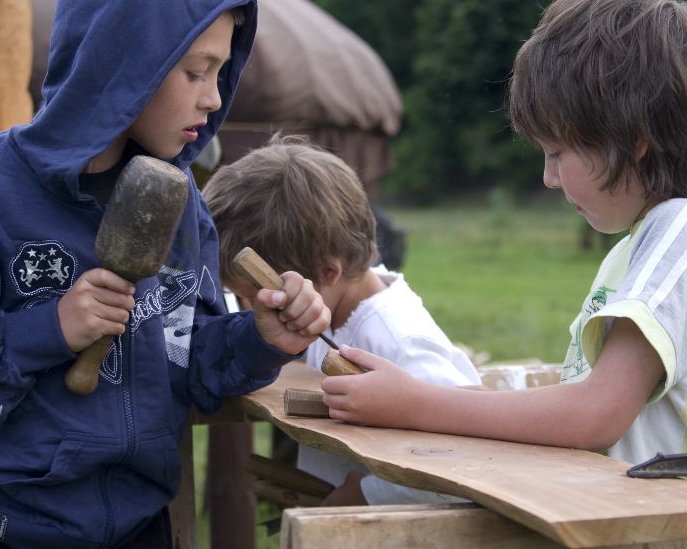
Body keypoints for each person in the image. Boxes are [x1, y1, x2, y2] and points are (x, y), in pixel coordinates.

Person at [0, 0, 329, 549]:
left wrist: (260, 338)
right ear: (123, 61)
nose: (215, 98)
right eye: (194, 71)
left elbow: (190, 369)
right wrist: (47, 330)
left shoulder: (177, 205)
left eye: (221, 72)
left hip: (137, 529)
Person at [320, 0, 687, 491]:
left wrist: (416, 403)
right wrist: (416, 395)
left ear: (635, 141)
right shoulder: (646, 239)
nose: (549, 178)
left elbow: (594, 414)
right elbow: (577, 405)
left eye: (556, 153)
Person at [203, 134, 480, 505]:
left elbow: (467, 465)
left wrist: (365, 495)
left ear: (327, 273)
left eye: (254, 297)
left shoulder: (397, 339)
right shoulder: (338, 309)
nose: (252, 309)